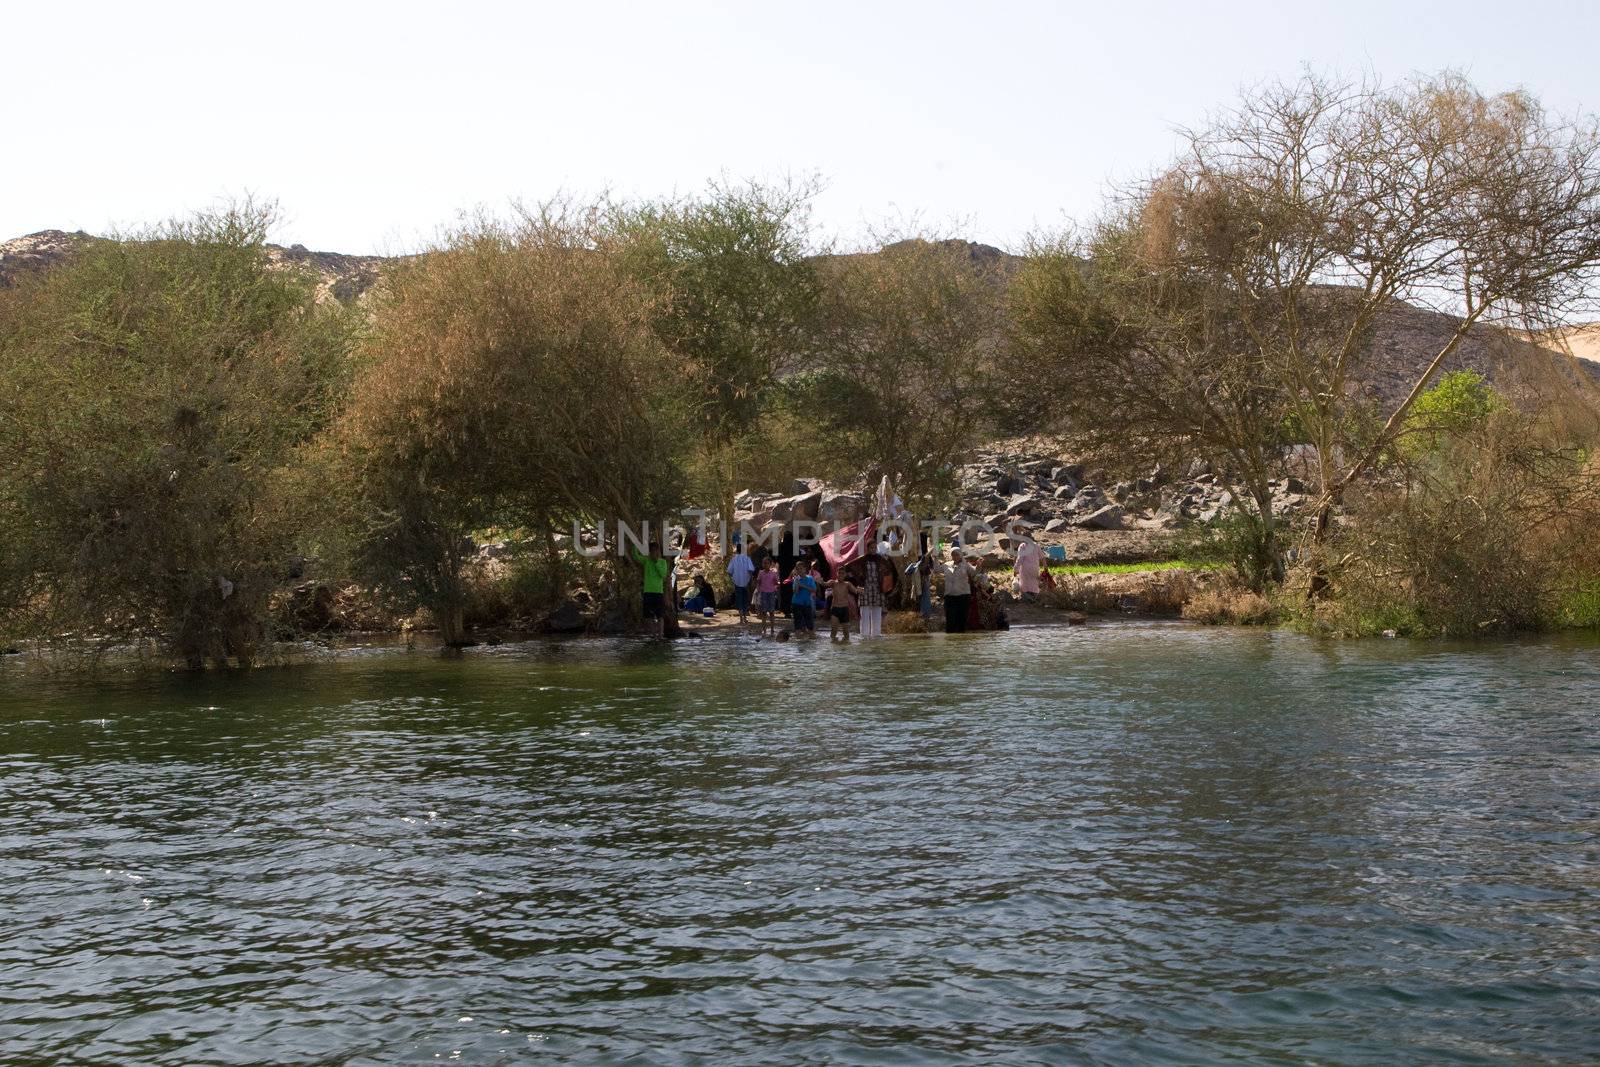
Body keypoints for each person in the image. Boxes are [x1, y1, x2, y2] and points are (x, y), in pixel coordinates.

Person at [631, 541, 673, 638]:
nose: (654, 552)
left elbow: (663, 574)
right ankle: (653, 634)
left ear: (658, 551)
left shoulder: (663, 562)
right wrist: (635, 544)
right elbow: (635, 556)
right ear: (650, 552)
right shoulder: (646, 561)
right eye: (652, 551)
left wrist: (656, 562)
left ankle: (660, 634)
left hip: (658, 592)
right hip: (648, 592)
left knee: (660, 615)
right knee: (648, 616)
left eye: (656, 550)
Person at [935, 548, 977, 633]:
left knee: (962, 620)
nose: (955, 556)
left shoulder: (966, 565)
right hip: (950, 596)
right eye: (953, 555)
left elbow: (974, 573)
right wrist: (935, 558)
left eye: (957, 554)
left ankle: (960, 642)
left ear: (961, 555)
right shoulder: (947, 565)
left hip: (963, 596)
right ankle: (951, 642)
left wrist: (979, 565)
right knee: (950, 621)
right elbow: (936, 569)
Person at [858, 543, 892, 638]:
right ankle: (864, 637)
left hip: (878, 588)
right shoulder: (862, 560)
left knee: (877, 614)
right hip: (865, 588)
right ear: (867, 548)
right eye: (871, 548)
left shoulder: (880, 560)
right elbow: (853, 569)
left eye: (874, 548)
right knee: (865, 613)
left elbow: (888, 569)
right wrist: (858, 583)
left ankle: (876, 636)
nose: (873, 550)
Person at [726, 542, 756, 630]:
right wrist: (751, 579)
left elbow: (729, 571)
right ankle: (745, 616)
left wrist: (733, 578)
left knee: (739, 599)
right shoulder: (747, 558)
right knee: (745, 598)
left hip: (737, 582)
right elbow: (751, 570)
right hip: (746, 582)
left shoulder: (734, 559)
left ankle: (741, 617)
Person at [825, 572, 858, 642]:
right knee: (834, 630)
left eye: (842, 573)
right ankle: (833, 648)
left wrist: (859, 590)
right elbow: (825, 584)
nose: (840, 575)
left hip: (844, 609)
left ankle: (845, 649)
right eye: (839, 573)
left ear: (845, 575)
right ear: (837, 574)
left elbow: (855, 590)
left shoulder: (847, 584)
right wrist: (820, 581)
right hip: (835, 608)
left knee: (846, 633)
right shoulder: (833, 583)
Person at [789, 562, 818, 635]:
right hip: (796, 604)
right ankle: (799, 641)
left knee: (810, 625)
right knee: (798, 625)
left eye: (801, 569)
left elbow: (814, 590)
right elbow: (795, 592)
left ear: (805, 569)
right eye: (798, 569)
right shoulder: (796, 579)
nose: (799, 571)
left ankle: (809, 642)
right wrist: (797, 582)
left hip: (807, 604)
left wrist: (802, 585)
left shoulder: (810, 578)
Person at [755, 557, 781, 637]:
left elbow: (776, 582)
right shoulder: (761, 573)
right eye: (764, 563)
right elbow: (758, 582)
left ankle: (772, 629)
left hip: (771, 593)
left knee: (772, 612)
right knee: (764, 612)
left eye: (767, 563)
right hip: (763, 594)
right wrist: (757, 591)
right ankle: (764, 629)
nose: (765, 565)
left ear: (770, 564)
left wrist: (777, 585)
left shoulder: (773, 573)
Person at [1015, 533, 1042, 602]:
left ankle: (1027, 598)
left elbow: (1020, 559)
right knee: (1034, 582)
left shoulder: (1022, 546)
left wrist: (1016, 569)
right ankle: (1034, 597)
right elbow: (1042, 557)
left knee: (1025, 583)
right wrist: (1045, 568)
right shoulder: (1036, 545)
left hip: (1025, 568)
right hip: (1035, 567)